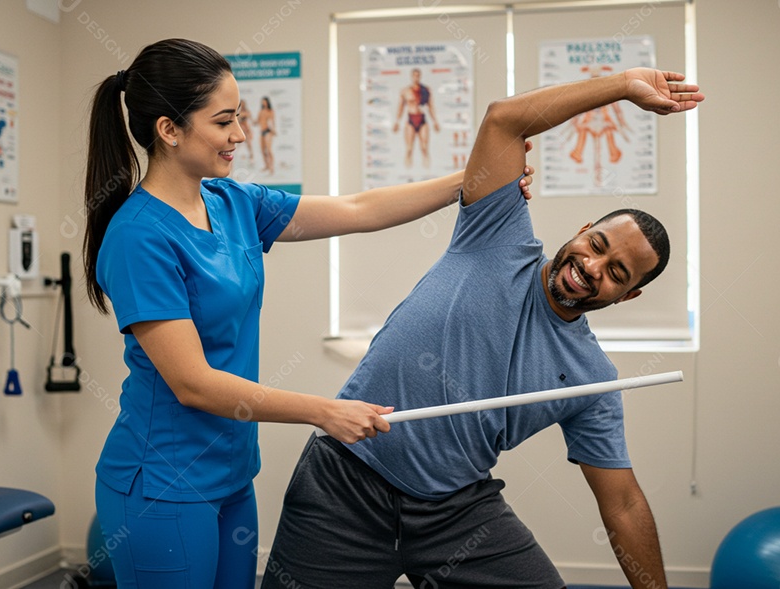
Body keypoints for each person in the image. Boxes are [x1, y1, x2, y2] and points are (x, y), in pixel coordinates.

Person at [81, 38, 534, 589]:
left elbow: (357, 209)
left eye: (240, 118)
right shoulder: (140, 237)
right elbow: (192, 384)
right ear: (169, 130)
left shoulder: (230, 203)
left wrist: (475, 183)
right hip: (161, 484)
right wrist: (324, 411)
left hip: (230, 472)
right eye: (224, 122)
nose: (241, 135)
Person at [262, 67, 704, 589]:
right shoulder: (500, 233)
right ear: (584, 230)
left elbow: (624, 503)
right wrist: (624, 85)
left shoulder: (594, 379)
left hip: (455, 513)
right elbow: (505, 120)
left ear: (628, 295)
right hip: (345, 484)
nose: (592, 268)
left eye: (616, 274)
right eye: (598, 246)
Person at [392, 68, 440, 168]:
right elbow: (400, 107)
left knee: (424, 148)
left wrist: (435, 121)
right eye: (414, 75)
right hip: (411, 120)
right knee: (409, 149)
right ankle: (406, 172)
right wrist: (397, 122)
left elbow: (430, 106)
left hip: (422, 119)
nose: (416, 77)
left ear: (420, 76)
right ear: (411, 76)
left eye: (418, 75)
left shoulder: (425, 90)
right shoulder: (405, 91)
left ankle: (428, 171)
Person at [256, 96, 275, 174]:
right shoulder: (261, 111)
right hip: (262, 131)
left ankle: (271, 167)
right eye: (262, 102)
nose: (263, 103)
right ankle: (266, 165)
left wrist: (273, 129)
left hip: (268, 131)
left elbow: (272, 121)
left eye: (265, 102)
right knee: (263, 150)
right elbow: (257, 121)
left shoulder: (270, 111)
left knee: (269, 150)